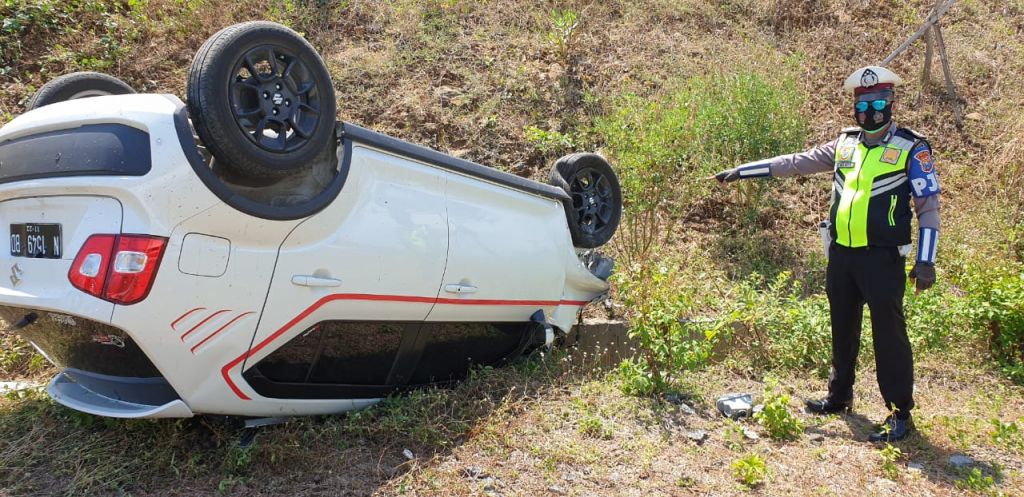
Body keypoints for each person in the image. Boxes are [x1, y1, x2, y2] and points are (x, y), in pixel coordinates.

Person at [713, 66, 941, 442]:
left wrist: (926, 260)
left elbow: (928, 206)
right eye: (863, 105)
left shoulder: (911, 148)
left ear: (891, 103)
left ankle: (900, 413)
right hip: (843, 255)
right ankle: (839, 396)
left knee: (889, 336)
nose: (871, 111)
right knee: (842, 328)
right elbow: (795, 163)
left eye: (879, 103)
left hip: (883, 259)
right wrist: (743, 171)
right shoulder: (844, 144)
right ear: (855, 107)